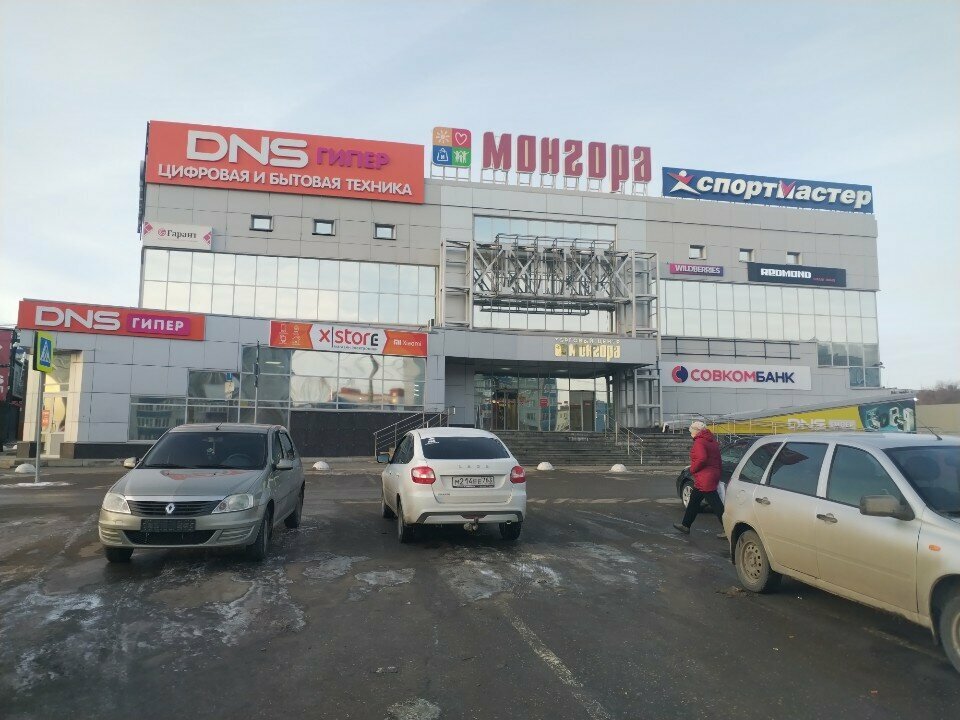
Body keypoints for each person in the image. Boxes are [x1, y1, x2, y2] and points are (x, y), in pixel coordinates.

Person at [673, 420, 725, 537]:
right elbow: (718, 459)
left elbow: (701, 458)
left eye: (691, 431)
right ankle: (685, 525)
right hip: (710, 475)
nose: (691, 433)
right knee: (694, 501)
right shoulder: (711, 441)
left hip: (705, 477)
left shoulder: (699, 442)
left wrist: (692, 469)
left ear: (696, 431)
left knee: (716, 504)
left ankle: (728, 530)